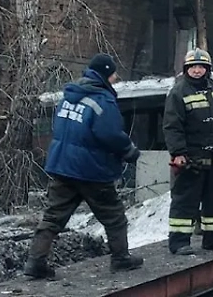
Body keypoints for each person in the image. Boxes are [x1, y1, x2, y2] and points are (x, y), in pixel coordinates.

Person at [25, 54, 144, 279]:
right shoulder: (102, 100)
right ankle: (121, 259)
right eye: (114, 74)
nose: (116, 78)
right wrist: (129, 150)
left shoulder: (69, 96)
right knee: (114, 216)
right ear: (105, 74)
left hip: (62, 165)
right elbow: (109, 133)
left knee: (53, 216)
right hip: (91, 170)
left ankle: (35, 262)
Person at [164, 48, 213, 255]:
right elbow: (172, 126)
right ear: (186, 69)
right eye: (193, 66)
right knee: (185, 200)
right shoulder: (178, 92)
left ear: (207, 69)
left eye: (201, 66)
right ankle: (179, 242)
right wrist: (178, 153)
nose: (197, 70)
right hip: (191, 157)